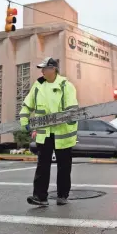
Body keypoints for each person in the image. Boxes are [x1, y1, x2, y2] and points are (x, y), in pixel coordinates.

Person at [19, 57, 78, 206]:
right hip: (44, 133)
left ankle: (62, 195)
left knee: (64, 166)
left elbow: (72, 108)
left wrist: (71, 117)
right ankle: (40, 196)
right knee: (42, 165)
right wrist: (24, 120)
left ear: (54, 69)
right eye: (42, 69)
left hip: (62, 133)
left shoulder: (66, 86)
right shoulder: (38, 86)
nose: (42, 71)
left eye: (45, 68)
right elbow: (27, 104)